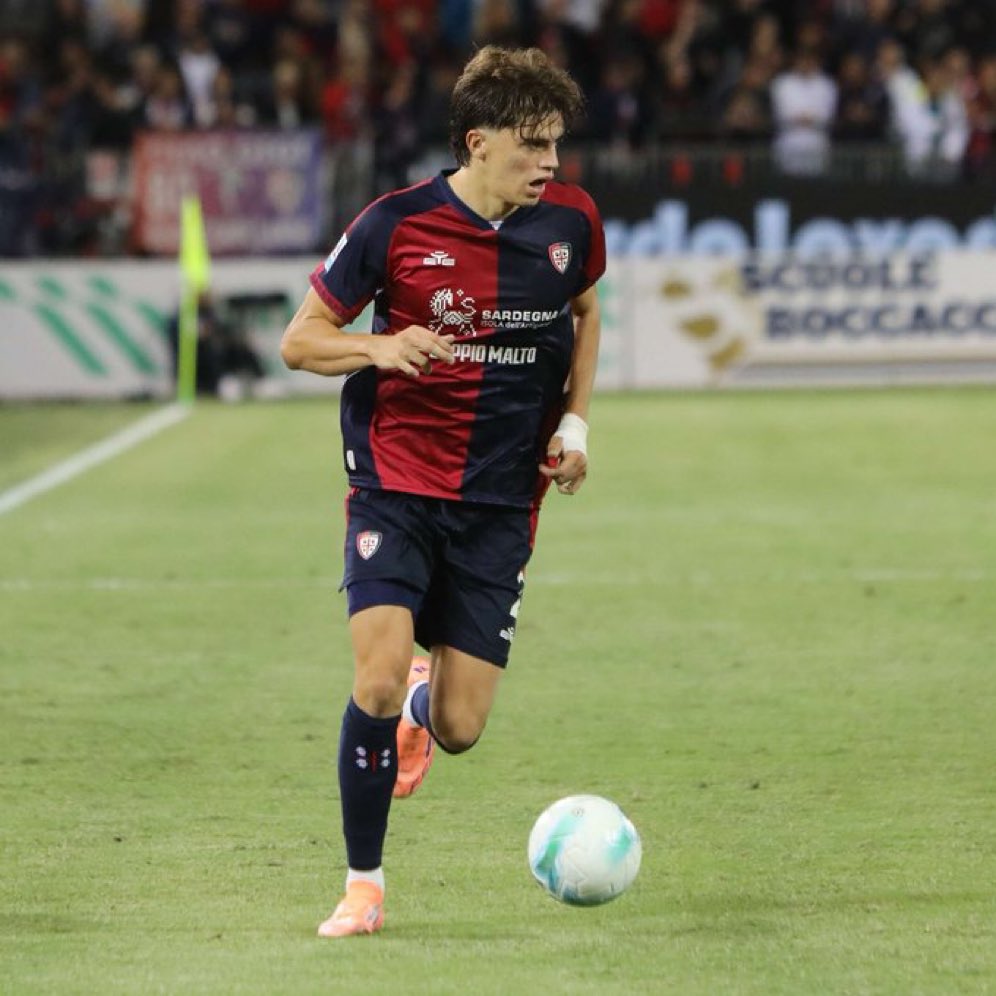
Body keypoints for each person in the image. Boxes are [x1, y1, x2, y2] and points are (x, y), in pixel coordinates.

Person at [280, 45, 605, 938]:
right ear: (477, 142)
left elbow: (586, 312)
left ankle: (426, 704)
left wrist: (575, 425)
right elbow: (300, 341)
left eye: (555, 144)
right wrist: (378, 347)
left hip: (502, 501)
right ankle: (364, 887)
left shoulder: (572, 220)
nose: (550, 162)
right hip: (395, 484)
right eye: (533, 143)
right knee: (376, 679)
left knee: (460, 726)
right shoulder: (394, 224)